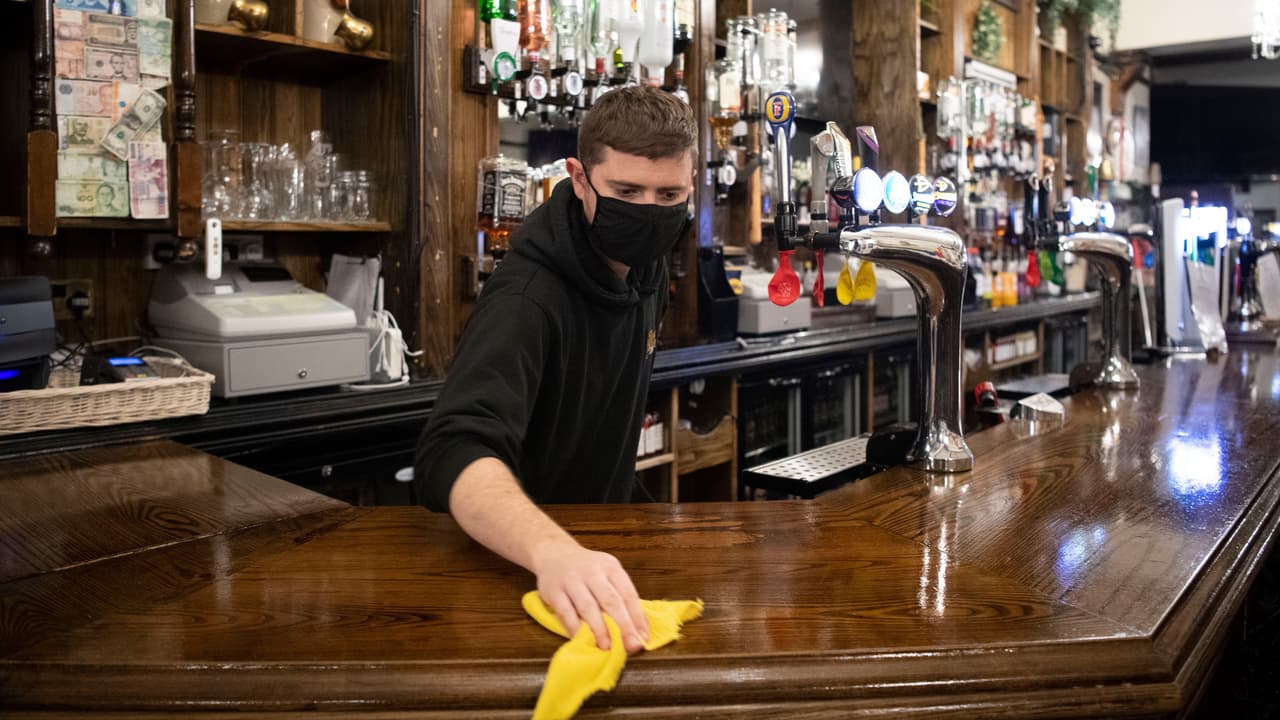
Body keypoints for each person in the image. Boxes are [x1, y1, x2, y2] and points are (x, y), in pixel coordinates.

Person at [414, 86, 696, 655]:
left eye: (669, 194)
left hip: (595, 562)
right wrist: (553, 551)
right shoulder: (526, 299)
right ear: (579, 177)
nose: (649, 212)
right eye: (626, 192)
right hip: (516, 571)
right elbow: (453, 450)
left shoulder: (645, 268)